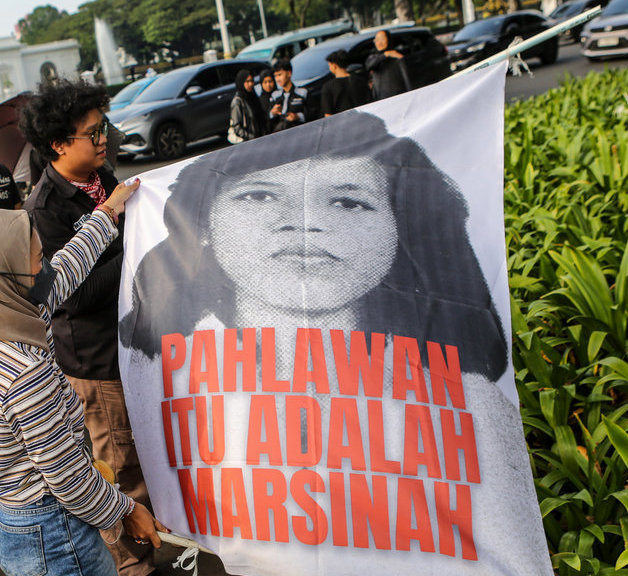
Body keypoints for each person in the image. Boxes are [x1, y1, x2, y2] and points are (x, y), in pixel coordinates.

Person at [118, 110, 546, 574]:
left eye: (346, 203)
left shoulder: (472, 405)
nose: (302, 224)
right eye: (259, 196)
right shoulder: (158, 378)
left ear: (400, 228)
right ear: (201, 225)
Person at [0, 203, 170, 576]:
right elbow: (66, 476)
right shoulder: (24, 373)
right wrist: (126, 510)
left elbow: (66, 271)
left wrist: (106, 214)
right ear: (6, 273)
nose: (47, 269)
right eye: (39, 261)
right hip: (52, 535)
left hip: (8, 508)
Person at [20, 79, 156, 576]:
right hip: (95, 360)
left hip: (132, 343)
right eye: (93, 132)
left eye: (105, 128)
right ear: (58, 143)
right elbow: (70, 295)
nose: (105, 139)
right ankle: (131, 563)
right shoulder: (44, 211)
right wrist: (137, 254)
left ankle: (152, 538)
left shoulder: (102, 177)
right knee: (119, 465)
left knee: (148, 451)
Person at [321, 50, 372, 116]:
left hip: (342, 123)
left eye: (329, 65)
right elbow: (370, 104)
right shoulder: (360, 81)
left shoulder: (328, 87)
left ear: (334, 66)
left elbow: (328, 114)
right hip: (361, 119)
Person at [365, 30, 411, 100]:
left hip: (397, 98)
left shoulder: (397, 57)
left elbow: (406, 79)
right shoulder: (374, 57)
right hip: (379, 99)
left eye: (382, 39)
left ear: (388, 40)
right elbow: (369, 65)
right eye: (377, 40)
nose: (379, 43)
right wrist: (385, 55)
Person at [268, 60, 308, 132]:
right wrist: (273, 112)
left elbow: (313, 115)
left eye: (280, 75)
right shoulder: (275, 95)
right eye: (275, 76)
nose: (277, 79)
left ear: (289, 73)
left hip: (300, 132)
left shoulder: (303, 93)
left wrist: (297, 116)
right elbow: (268, 119)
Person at [228, 69, 267, 143]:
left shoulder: (253, 97)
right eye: (247, 81)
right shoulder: (238, 101)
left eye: (252, 81)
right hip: (249, 142)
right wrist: (251, 138)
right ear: (241, 82)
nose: (250, 84)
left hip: (260, 139)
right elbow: (237, 127)